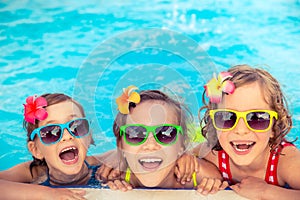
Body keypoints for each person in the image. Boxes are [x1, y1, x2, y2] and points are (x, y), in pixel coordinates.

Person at [179, 64, 300, 199]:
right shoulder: (214, 154)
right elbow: (186, 156)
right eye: (227, 117)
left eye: (257, 118)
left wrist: (266, 192)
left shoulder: (285, 161)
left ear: (273, 127)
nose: (241, 130)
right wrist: (186, 158)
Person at [106, 86, 227, 195]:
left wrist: (212, 185)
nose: (151, 145)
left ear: (182, 146)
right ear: (120, 145)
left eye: (165, 133)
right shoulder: (113, 174)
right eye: (135, 133)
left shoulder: (202, 175)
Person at [0, 93, 109, 199]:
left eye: (76, 126)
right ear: (36, 150)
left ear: (89, 136)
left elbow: (121, 153)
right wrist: (47, 193)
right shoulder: (33, 172)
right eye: (51, 132)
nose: (66, 136)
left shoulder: (102, 164)